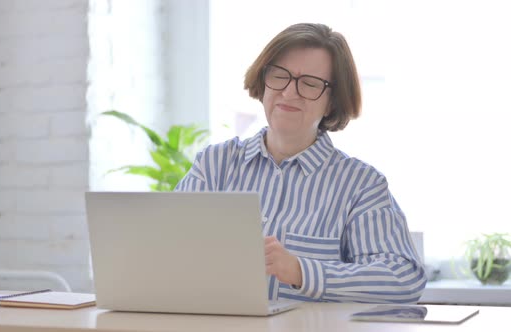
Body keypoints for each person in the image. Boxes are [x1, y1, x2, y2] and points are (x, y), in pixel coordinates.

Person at [175, 23, 427, 303]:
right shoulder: (213, 165)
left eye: (309, 83)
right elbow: (164, 248)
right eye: (279, 76)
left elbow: (403, 278)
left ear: (332, 102)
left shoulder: (362, 185)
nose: (289, 92)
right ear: (263, 80)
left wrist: (301, 271)